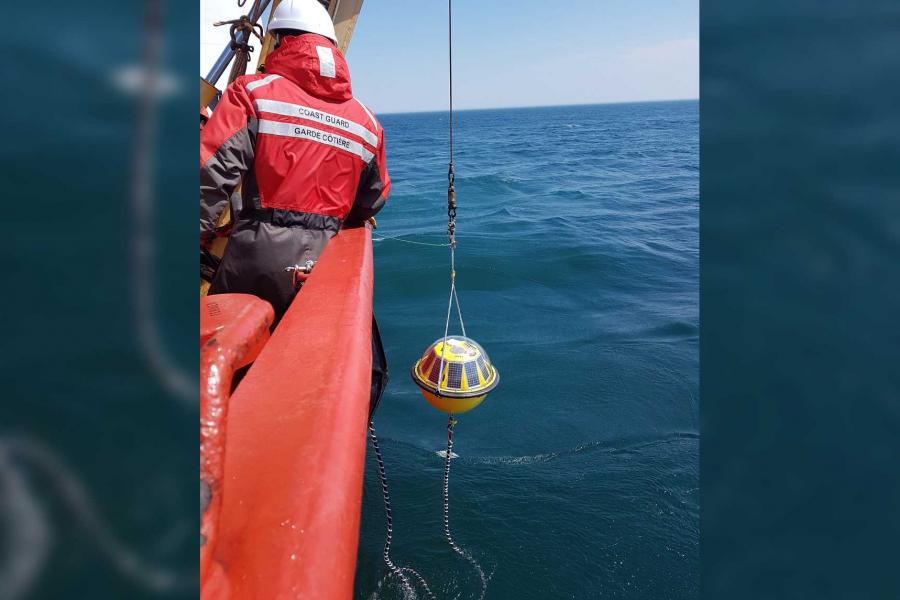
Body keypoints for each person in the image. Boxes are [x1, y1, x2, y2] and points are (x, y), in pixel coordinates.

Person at [200, 0, 390, 319]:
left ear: (281, 41)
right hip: (325, 267)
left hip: (253, 263)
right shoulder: (367, 122)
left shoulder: (251, 93)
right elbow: (373, 199)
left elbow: (209, 177)